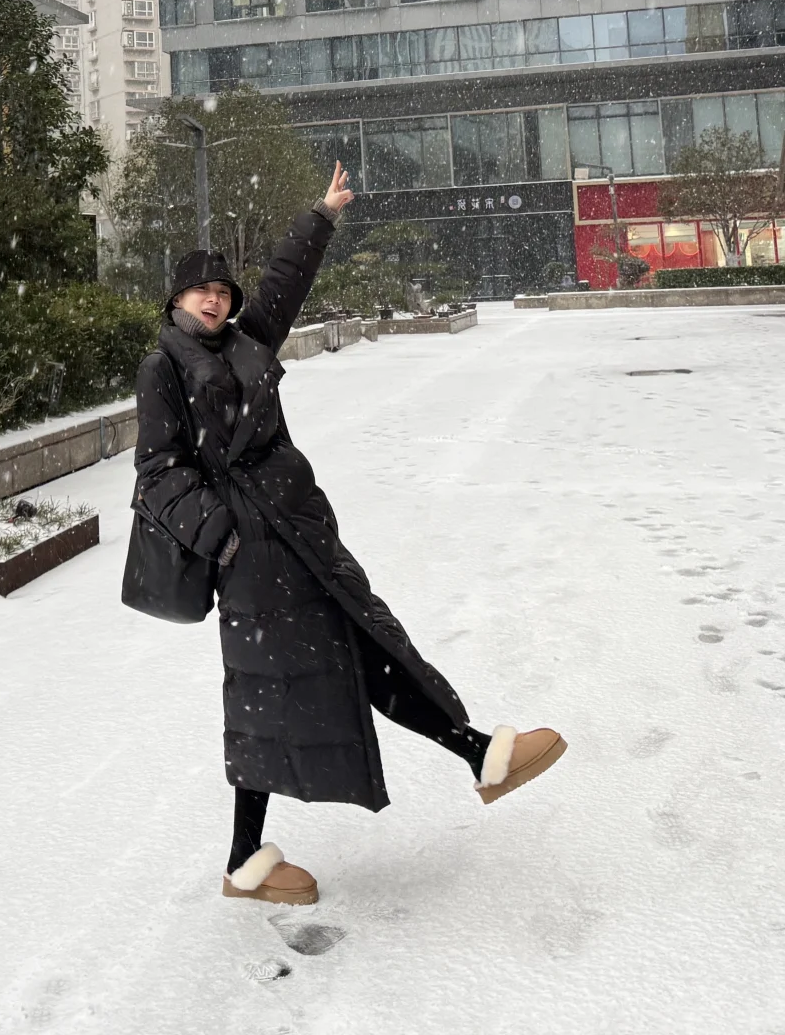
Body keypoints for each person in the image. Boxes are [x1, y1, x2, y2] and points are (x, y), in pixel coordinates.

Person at [133, 164, 566, 906]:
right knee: (284, 686)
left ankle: (258, 855)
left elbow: (283, 285)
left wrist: (321, 216)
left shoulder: (246, 344)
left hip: (300, 532)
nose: (214, 298)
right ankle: (475, 758)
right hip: (251, 556)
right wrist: (227, 538)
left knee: (343, 659)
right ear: (174, 300)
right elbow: (159, 474)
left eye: (221, 290)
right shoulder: (161, 371)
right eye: (200, 289)